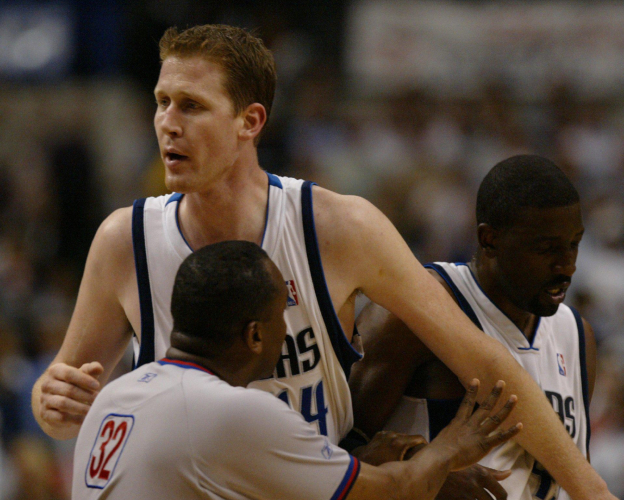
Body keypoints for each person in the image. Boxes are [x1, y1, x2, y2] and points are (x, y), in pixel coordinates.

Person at [32, 24, 616, 500]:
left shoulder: (337, 227)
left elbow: (485, 358)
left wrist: (590, 492)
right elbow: (63, 408)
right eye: (161, 102)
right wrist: (49, 402)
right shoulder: (123, 239)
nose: (167, 123)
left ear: (250, 122)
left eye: (191, 105)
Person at [72, 240, 522, 500]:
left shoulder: (115, 396)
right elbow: (395, 493)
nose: (286, 332)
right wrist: (451, 448)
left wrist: (358, 462)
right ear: (253, 335)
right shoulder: (233, 411)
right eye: (278, 319)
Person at [350, 155, 595, 499]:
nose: (567, 265)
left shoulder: (576, 334)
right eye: (546, 249)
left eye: (574, 243)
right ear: (489, 239)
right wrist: (424, 472)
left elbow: (576, 476)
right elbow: (329, 455)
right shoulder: (416, 308)